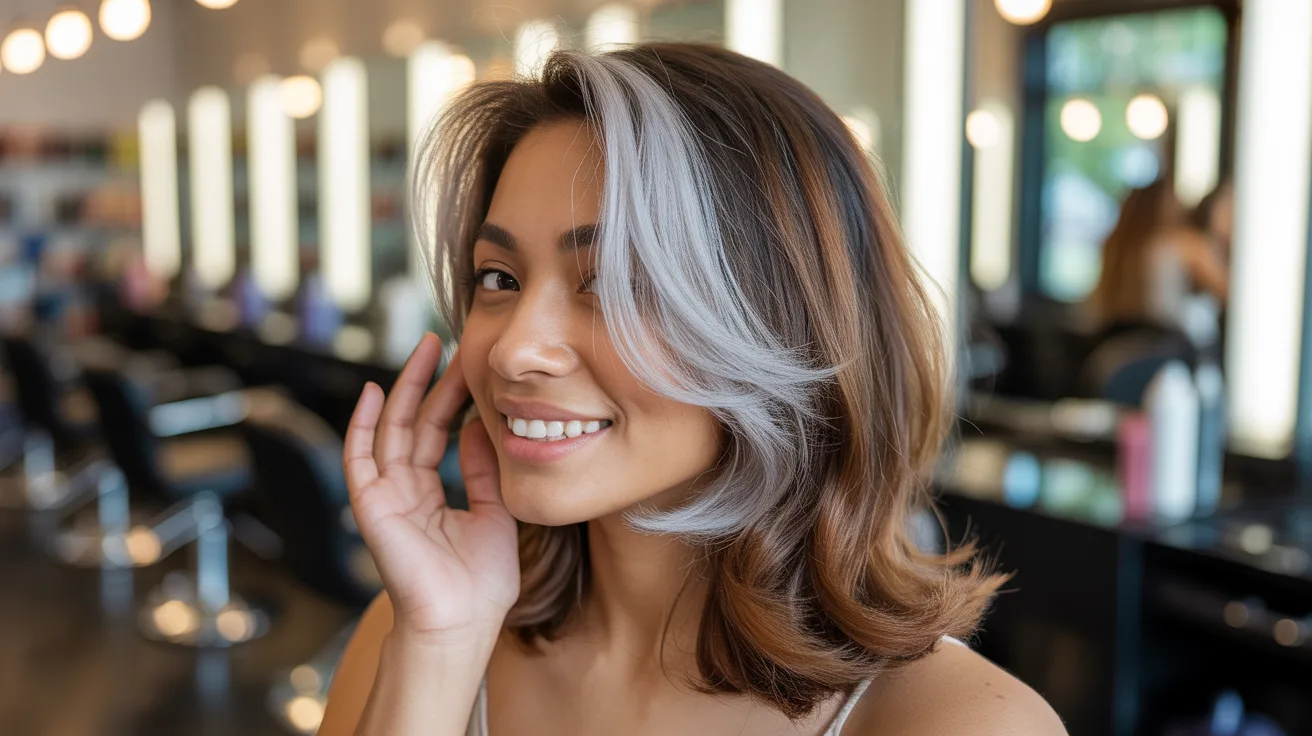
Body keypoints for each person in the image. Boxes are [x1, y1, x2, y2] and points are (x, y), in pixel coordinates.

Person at [319, 43, 1065, 736]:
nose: (514, 349)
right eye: (498, 278)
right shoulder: (419, 627)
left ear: (785, 325)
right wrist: (439, 649)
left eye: (614, 284)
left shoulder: (967, 723)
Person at [1088, 179, 1228, 333]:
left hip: (1116, 341)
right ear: (1164, 204)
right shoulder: (1180, 243)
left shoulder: (1117, 247)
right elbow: (1227, 290)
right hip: (1165, 344)